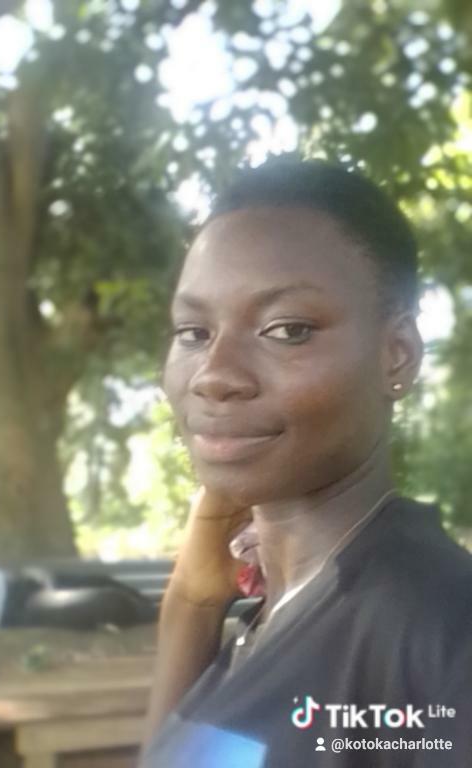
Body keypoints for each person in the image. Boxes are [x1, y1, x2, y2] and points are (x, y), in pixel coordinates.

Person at [138, 157, 472, 768]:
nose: (213, 375)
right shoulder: (270, 617)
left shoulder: (441, 637)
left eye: (287, 330)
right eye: (193, 332)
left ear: (397, 355)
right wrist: (191, 606)